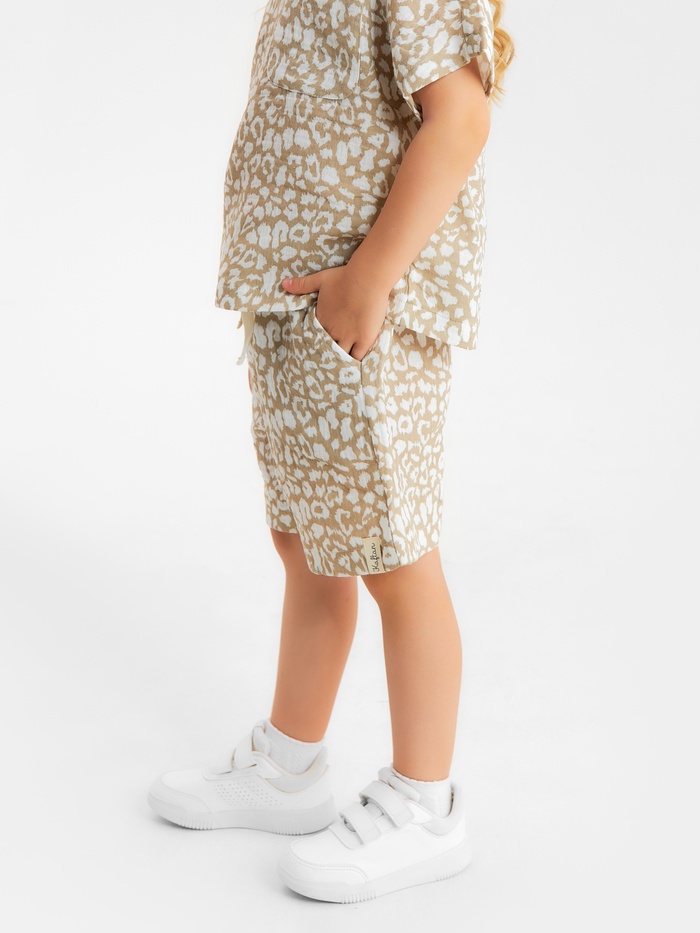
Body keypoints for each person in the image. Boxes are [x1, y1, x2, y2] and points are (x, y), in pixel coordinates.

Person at [148, 0, 514, 903]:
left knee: (396, 556)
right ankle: (291, 764)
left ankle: (426, 802)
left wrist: (370, 279)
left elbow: (462, 118)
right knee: (309, 544)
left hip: (365, 318)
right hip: (299, 309)